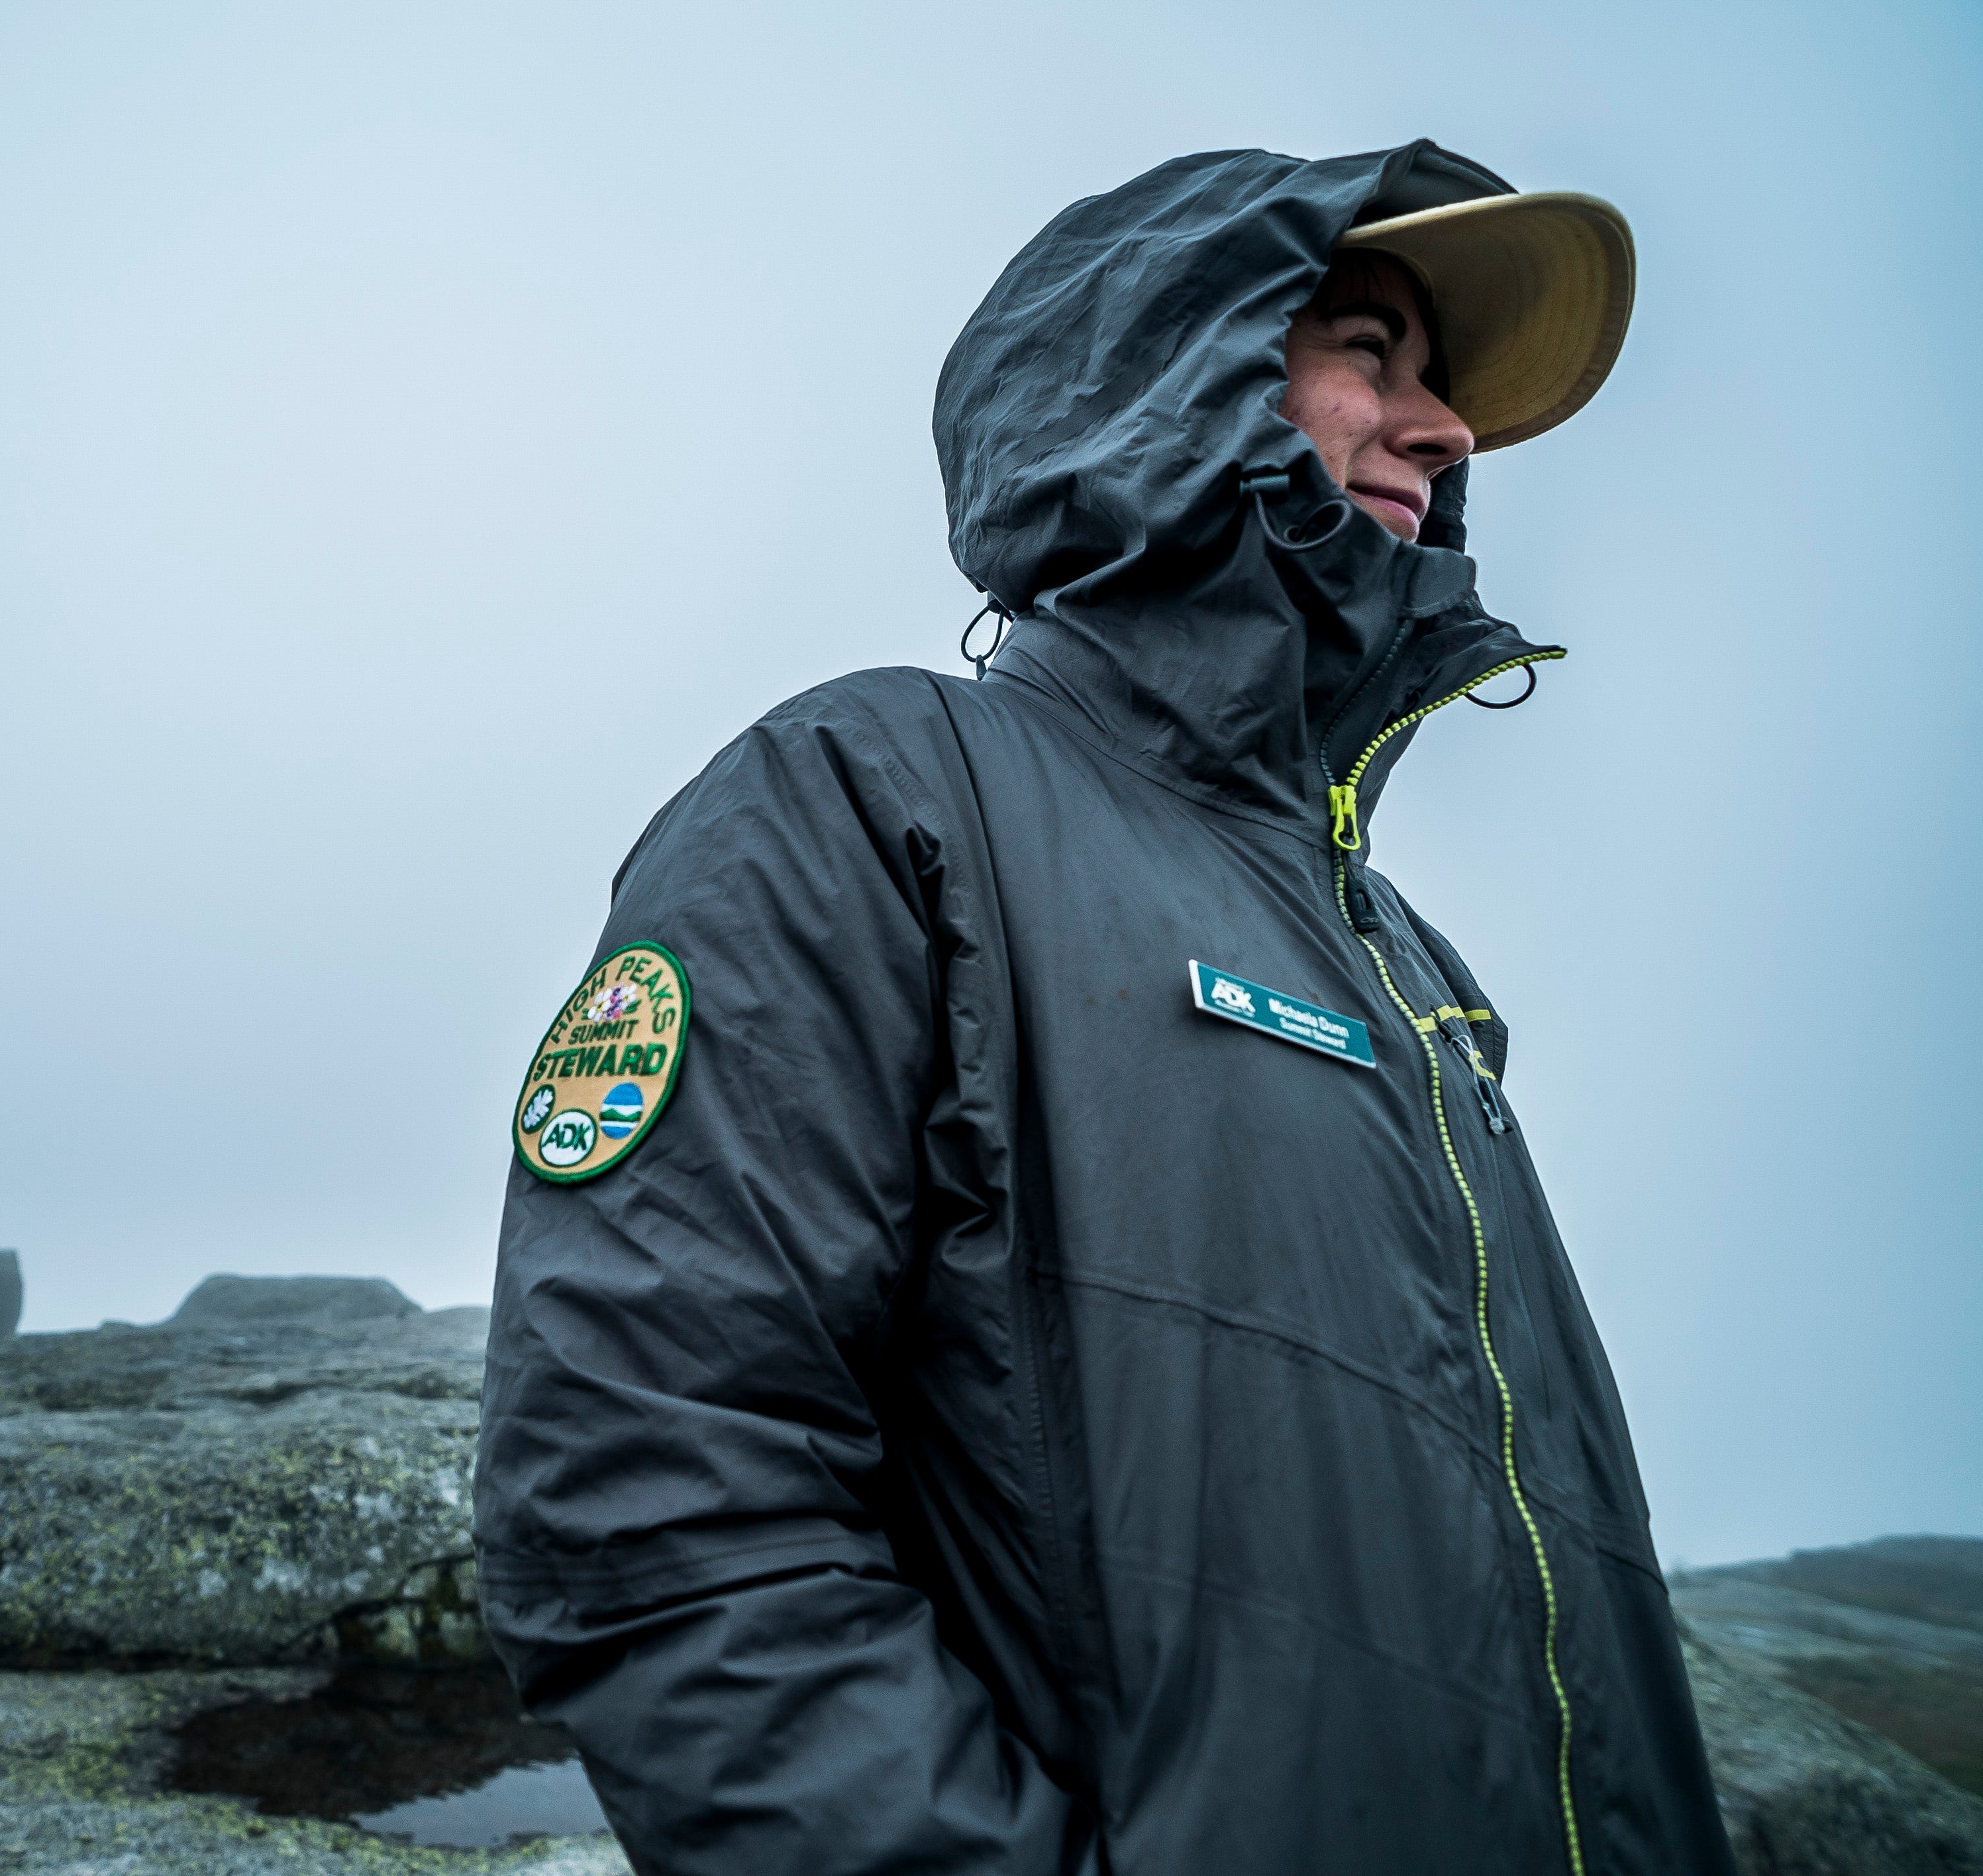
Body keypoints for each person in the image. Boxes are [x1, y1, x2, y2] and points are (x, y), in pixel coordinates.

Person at [474, 141, 1737, 1875]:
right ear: (1174, 372)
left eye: (1435, 380)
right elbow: (656, 1504)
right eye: (1369, 351)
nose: (1443, 433)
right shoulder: (875, 795)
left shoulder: (1410, 964)